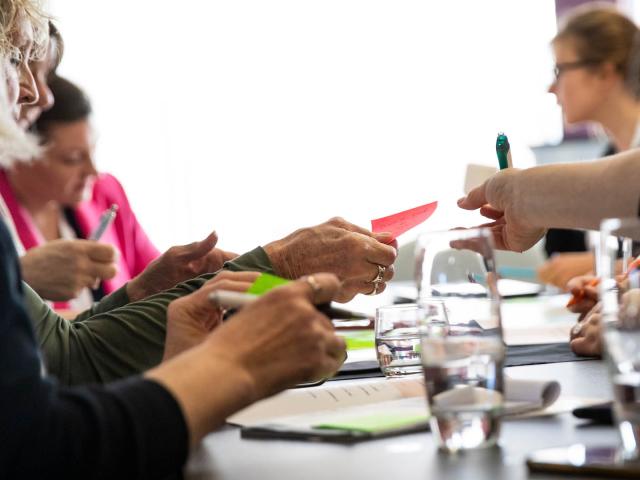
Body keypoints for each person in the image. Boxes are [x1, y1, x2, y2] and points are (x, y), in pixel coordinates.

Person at [0, 3, 347, 477]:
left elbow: (61, 357)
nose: (33, 92)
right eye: (15, 59)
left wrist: (141, 293)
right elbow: (39, 447)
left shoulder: (101, 196)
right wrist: (229, 365)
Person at [538, 6, 640, 289]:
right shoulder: (610, 155)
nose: (551, 87)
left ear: (605, 72)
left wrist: (603, 267)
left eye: (560, 70)